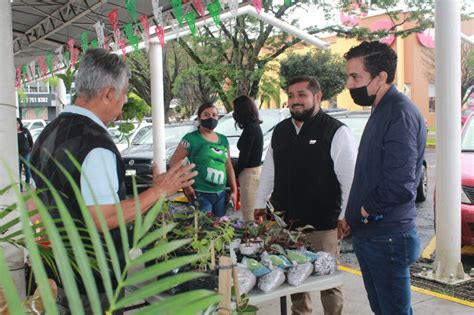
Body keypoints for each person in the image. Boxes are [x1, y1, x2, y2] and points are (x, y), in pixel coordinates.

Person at [30, 48, 197, 313]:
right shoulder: (95, 144)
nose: (123, 103)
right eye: (123, 93)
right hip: (92, 281)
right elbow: (103, 218)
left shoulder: (48, 132)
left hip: (58, 271)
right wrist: (159, 190)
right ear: (108, 93)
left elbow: (33, 203)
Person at [254, 76, 357, 315]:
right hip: (286, 224)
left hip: (323, 224)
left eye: (302, 95)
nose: (295, 101)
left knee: (328, 281)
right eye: (290, 95)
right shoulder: (280, 132)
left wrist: (345, 215)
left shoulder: (336, 131)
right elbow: (269, 169)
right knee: (294, 278)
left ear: (317, 97)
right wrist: (260, 204)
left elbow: (349, 178)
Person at [344, 41, 427, 315]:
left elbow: (401, 184)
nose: (349, 84)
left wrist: (366, 210)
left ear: (380, 77)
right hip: (374, 234)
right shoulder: (382, 108)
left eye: (356, 77)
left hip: (387, 236)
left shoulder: (399, 112)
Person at [170, 103, 237, 217]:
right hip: (200, 194)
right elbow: (174, 162)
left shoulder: (223, 139)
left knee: (221, 230)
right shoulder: (190, 138)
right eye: (206, 115)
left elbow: (228, 165)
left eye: (214, 115)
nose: (211, 118)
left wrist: (234, 190)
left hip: (221, 194)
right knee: (203, 229)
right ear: (199, 117)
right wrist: (186, 186)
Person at [232, 95, 263, 222]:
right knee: (254, 212)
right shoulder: (253, 127)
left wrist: (233, 174)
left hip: (249, 174)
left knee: (249, 213)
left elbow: (244, 158)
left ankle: (251, 239)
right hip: (254, 172)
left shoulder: (251, 128)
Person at [17, 117, 33, 191]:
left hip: (26, 153)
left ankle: (27, 186)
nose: (16, 125)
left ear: (20, 123)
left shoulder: (25, 131)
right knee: (18, 171)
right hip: (17, 155)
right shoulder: (12, 133)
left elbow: (30, 140)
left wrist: (31, 148)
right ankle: (20, 188)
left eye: (17, 123)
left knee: (27, 170)